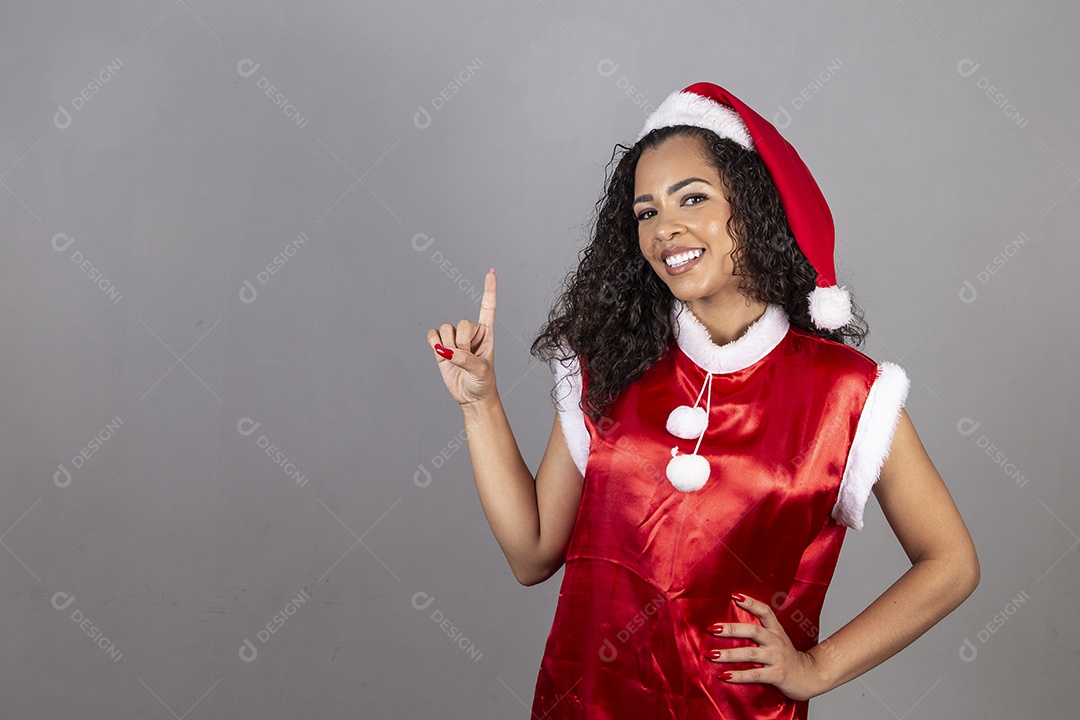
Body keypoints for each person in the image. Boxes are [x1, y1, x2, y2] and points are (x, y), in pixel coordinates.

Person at [426, 82, 979, 719]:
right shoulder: (607, 365)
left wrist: (817, 667)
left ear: (752, 206)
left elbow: (950, 563)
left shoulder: (848, 393)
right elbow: (532, 553)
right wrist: (479, 403)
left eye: (693, 198)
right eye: (646, 212)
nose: (667, 228)